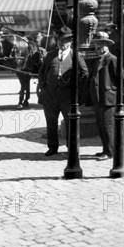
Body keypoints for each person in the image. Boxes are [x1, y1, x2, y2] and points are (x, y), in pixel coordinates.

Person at [37, 26, 89, 156]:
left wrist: (75, 88)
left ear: (70, 42)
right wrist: (44, 87)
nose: (62, 43)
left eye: (65, 41)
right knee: (51, 123)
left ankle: (71, 147)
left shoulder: (75, 55)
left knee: (70, 123)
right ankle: (52, 147)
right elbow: (42, 72)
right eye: (60, 41)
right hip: (50, 96)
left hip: (67, 97)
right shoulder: (50, 55)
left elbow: (84, 73)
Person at [90, 31, 124, 161]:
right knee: (101, 125)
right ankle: (106, 149)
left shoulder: (112, 59)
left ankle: (110, 152)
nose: (97, 48)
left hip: (109, 99)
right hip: (100, 99)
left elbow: (122, 79)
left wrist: (117, 96)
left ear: (107, 46)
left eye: (100, 45)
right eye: (96, 45)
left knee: (107, 126)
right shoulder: (99, 59)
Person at [18, 32, 46, 109]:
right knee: (24, 84)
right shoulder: (30, 46)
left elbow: (38, 61)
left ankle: (23, 100)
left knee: (24, 85)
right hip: (28, 67)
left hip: (32, 68)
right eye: (36, 37)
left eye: (38, 37)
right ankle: (24, 100)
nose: (37, 39)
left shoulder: (39, 50)